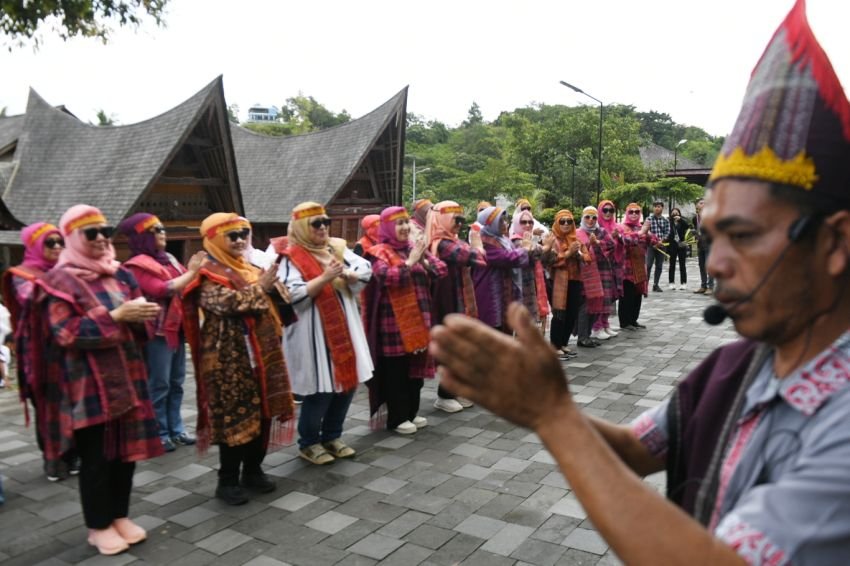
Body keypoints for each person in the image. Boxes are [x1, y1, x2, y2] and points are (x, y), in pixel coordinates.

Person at [430, 2, 850, 562]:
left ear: (835, 244)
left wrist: (554, 416)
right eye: (713, 235)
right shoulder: (732, 370)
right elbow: (634, 448)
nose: (716, 262)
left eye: (744, 236)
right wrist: (538, 403)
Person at [29, 205, 163, 555]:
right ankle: (98, 525)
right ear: (73, 237)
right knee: (97, 459)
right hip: (88, 385)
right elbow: (64, 333)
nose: (102, 237)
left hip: (129, 376)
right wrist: (117, 315)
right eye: (92, 232)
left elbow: (141, 323)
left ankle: (120, 515)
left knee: (125, 455)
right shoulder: (58, 280)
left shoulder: (120, 274)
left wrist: (142, 316)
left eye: (105, 230)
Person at [183, 213, 295, 506]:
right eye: (232, 235)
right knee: (236, 415)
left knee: (264, 412)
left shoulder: (252, 267)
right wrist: (263, 289)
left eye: (244, 233)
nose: (240, 240)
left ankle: (254, 471)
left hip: (264, 351)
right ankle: (227, 480)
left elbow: (282, 296)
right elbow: (226, 304)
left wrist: (270, 288)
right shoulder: (206, 273)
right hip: (228, 357)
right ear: (214, 239)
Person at [276, 202, 373, 465]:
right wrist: (325, 277)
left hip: (345, 327)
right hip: (313, 332)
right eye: (316, 223)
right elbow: (290, 294)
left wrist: (351, 276)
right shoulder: (290, 256)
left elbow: (364, 268)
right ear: (301, 227)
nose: (322, 228)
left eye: (325, 222)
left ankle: (332, 435)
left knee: (347, 383)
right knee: (321, 388)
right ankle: (309, 442)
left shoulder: (336, 248)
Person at [118, 213, 206, 453]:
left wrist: (192, 275)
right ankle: (158, 431)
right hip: (156, 332)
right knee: (159, 383)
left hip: (176, 328)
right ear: (142, 237)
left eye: (162, 228)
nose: (162, 233)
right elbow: (163, 289)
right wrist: (193, 272)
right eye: (155, 230)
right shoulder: (135, 265)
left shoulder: (168, 259)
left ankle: (176, 429)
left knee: (177, 381)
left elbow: (185, 285)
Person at [1, 223, 80, 481]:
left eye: (60, 242)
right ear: (35, 245)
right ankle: (53, 458)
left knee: (73, 402)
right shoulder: (21, 275)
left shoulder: (66, 271)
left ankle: (73, 454)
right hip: (39, 354)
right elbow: (32, 299)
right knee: (47, 405)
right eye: (50, 242)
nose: (57, 247)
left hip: (68, 345)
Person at [363, 207, 447, 434]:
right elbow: (387, 277)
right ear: (387, 227)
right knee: (396, 372)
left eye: (405, 223)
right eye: (397, 224)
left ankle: (411, 412)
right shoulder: (378, 252)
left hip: (419, 320)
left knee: (415, 370)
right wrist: (410, 263)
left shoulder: (414, 248)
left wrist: (424, 261)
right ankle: (397, 418)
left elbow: (441, 269)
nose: (403, 228)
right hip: (393, 324)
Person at [429, 201, 487, 413]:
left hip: (456, 299)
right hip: (446, 302)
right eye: (456, 220)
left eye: (461, 220)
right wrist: (477, 242)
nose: (459, 224)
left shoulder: (450, 241)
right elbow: (477, 258)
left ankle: (453, 390)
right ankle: (445, 395)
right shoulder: (442, 244)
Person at [472, 206, 529, 333]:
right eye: (500, 221)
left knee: (505, 328)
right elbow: (506, 258)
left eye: (505, 220)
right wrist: (525, 249)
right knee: (492, 331)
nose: (505, 224)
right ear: (490, 224)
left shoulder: (503, 240)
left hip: (505, 291)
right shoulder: (484, 242)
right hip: (489, 292)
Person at [542, 210, 589, 358]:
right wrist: (568, 254)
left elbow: (588, 257)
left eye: (569, 221)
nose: (566, 224)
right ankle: (555, 346)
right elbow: (549, 261)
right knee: (559, 313)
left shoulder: (576, 239)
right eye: (562, 221)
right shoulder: (551, 239)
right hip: (557, 281)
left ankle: (563, 343)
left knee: (572, 312)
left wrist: (579, 255)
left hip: (575, 279)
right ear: (557, 223)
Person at [577, 206, 617, 343]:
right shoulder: (579, 232)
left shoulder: (601, 231)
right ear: (582, 218)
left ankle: (603, 324)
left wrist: (598, 243)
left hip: (603, 269)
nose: (591, 220)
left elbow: (612, 245)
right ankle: (595, 327)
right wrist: (590, 244)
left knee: (604, 298)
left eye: (594, 217)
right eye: (587, 217)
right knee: (590, 301)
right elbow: (579, 251)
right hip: (588, 273)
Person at [509, 206, 550, 329]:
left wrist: (546, 248)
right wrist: (547, 247)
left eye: (530, 222)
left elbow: (549, 257)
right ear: (516, 223)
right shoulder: (515, 240)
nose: (527, 225)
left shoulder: (530, 239)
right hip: (521, 286)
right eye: (523, 222)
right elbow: (534, 252)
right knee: (523, 322)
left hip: (533, 284)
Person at [618, 203, 656, 330]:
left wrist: (652, 238)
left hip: (639, 266)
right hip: (627, 267)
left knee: (637, 295)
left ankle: (633, 319)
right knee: (627, 296)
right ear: (627, 213)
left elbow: (653, 241)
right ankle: (625, 322)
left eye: (636, 212)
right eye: (631, 212)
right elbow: (626, 241)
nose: (634, 214)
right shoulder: (622, 227)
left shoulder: (642, 227)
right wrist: (641, 233)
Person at [595, 200, 624, 338]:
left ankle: (605, 324)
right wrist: (611, 240)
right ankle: (597, 326)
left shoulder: (615, 226)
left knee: (610, 295)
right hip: (601, 267)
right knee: (601, 296)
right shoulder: (596, 227)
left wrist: (619, 238)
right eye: (605, 210)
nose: (608, 213)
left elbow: (623, 244)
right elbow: (599, 247)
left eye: (611, 210)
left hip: (614, 265)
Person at [645, 200, 670, 292]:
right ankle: (645, 284)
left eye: (659, 206)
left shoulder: (665, 220)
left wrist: (661, 241)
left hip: (662, 245)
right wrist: (653, 240)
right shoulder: (649, 219)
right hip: (651, 246)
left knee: (659, 265)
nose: (657, 208)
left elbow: (667, 232)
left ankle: (656, 284)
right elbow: (646, 231)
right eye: (655, 206)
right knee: (648, 265)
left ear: (662, 208)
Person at [693, 197, 715, 295]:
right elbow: (696, 229)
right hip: (700, 243)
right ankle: (703, 285)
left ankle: (711, 286)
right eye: (701, 203)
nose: (703, 204)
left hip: (710, 243)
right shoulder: (696, 217)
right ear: (697, 205)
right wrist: (695, 234)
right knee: (701, 265)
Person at [667, 207, 690, 290]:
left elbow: (688, 226)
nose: (675, 214)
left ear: (679, 214)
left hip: (681, 245)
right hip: (672, 245)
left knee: (682, 265)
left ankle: (683, 283)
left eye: (676, 213)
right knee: (672, 265)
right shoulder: (669, 222)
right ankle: (671, 282)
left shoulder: (682, 221)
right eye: (673, 213)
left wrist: (680, 220)